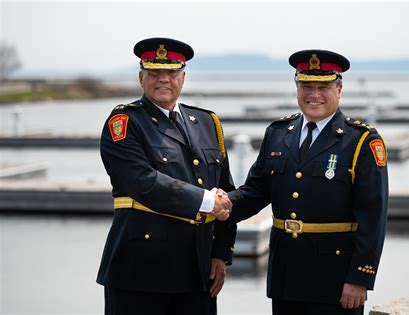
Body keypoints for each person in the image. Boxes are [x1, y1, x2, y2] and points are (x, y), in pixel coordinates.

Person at [227, 49, 389, 315]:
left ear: (339, 89)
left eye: (323, 87)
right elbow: (255, 192)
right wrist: (214, 204)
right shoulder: (278, 134)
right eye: (306, 86)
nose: (314, 94)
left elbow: (374, 216)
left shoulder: (361, 141)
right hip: (285, 276)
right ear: (296, 87)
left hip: (335, 282)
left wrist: (360, 278)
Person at [96, 37, 236, 315]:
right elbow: (142, 181)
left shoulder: (207, 122)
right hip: (140, 272)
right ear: (141, 77)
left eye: (171, 72)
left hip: (197, 272)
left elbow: (226, 192)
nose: (164, 79)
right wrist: (206, 201)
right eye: (155, 73)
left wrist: (220, 253)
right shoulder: (125, 122)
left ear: (183, 77)